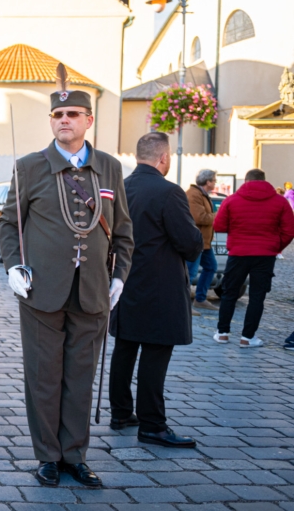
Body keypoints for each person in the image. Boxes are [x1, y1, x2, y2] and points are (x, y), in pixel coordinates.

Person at [0, 67, 134, 488]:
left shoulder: (109, 168)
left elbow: (124, 231)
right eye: (59, 115)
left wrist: (120, 278)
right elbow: (8, 225)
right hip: (41, 290)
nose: (65, 121)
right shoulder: (31, 167)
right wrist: (12, 267)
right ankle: (48, 457)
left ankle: (75, 455)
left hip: (93, 290)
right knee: (43, 376)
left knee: (80, 376)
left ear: (88, 121)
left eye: (74, 114)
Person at [109, 133, 203, 448]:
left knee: (124, 349)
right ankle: (152, 424)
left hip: (122, 282)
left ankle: (121, 412)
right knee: (155, 353)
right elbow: (190, 245)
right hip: (159, 288)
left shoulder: (119, 189)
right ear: (163, 158)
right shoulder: (168, 192)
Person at [212, 168, 294, 347]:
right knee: (257, 296)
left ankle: (223, 333)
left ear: (246, 181)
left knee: (229, 293)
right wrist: (276, 246)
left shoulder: (231, 200)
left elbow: (218, 226)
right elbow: (289, 230)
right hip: (265, 255)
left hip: (238, 253)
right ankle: (247, 338)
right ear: (265, 181)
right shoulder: (280, 202)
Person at [185, 169, 218, 311]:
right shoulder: (194, 195)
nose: (215, 183)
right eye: (214, 180)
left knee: (211, 267)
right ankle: (184, 304)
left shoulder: (203, 195)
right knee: (190, 273)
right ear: (208, 182)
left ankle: (200, 298)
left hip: (204, 242)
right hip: (195, 241)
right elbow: (200, 218)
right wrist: (217, 215)